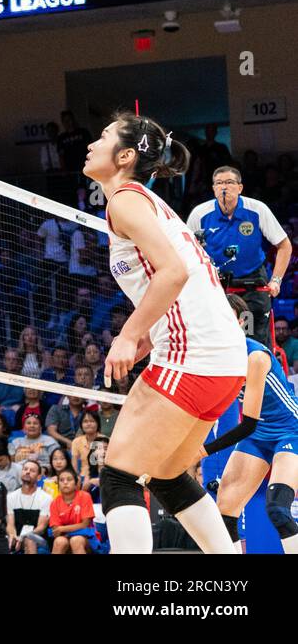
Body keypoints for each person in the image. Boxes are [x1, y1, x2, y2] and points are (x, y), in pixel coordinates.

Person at [85, 112, 246, 554]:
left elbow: (172, 273)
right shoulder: (145, 204)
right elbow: (184, 284)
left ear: (124, 155)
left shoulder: (125, 200)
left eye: (101, 136)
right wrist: (146, 339)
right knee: (168, 474)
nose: (90, 144)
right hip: (223, 360)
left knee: (119, 474)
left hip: (195, 357)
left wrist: (125, 335)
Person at [202, 295, 298, 553]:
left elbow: (247, 424)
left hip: (290, 430)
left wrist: (202, 450)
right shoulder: (215, 358)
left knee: (277, 508)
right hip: (259, 435)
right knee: (225, 512)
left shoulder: (255, 356)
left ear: (241, 321)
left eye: (226, 316)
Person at [187, 166, 292, 342]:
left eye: (229, 182)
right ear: (213, 189)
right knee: (215, 336)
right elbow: (186, 251)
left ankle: (259, 367)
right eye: (219, 183)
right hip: (215, 283)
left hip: (253, 282)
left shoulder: (257, 209)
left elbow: (284, 245)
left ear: (240, 188)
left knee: (250, 338)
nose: (224, 187)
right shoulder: (200, 214)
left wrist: (276, 280)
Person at [7, 459, 52, 554]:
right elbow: (10, 524)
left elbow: (41, 527)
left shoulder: (45, 498)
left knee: (30, 540)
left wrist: (24, 537)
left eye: (32, 471)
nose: (27, 472)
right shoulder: (11, 497)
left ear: (39, 477)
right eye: (25, 469)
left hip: (39, 540)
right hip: (18, 538)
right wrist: (13, 535)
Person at [48, 467, 96, 554]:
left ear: (76, 484)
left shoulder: (85, 496)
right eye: (61, 480)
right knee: (59, 542)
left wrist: (63, 528)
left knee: (76, 540)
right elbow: (56, 530)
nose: (65, 482)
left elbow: (85, 524)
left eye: (69, 479)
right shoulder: (54, 503)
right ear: (58, 484)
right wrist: (61, 530)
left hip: (86, 538)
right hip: (64, 537)